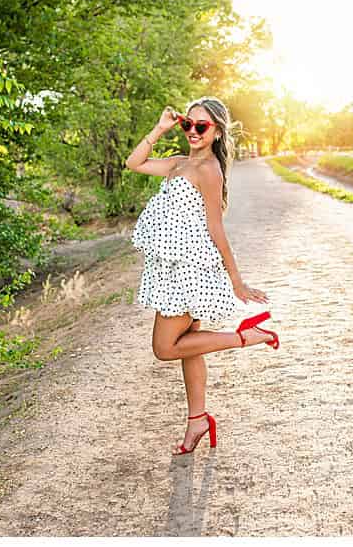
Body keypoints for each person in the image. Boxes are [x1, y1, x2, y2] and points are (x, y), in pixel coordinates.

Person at [126, 98, 279, 456]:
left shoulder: (209, 170)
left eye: (202, 126)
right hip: (172, 268)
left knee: (165, 347)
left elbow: (216, 228)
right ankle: (197, 419)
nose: (193, 132)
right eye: (188, 125)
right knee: (188, 348)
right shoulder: (179, 163)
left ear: (217, 132)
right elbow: (133, 163)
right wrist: (160, 128)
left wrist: (236, 281)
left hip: (190, 272)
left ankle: (246, 337)